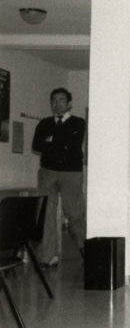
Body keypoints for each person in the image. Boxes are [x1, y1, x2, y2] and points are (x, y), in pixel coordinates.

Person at [32, 88, 87, 267]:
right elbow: (36, 145)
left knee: (74, 212)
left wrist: (50, 141)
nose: (57, 103)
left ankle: (84, 247)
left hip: (71, 172)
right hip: (48, 172)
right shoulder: (44, 123)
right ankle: (48, 256)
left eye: (61, 100)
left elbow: (72, 144)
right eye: (54, 100)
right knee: (47, 213)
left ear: (69, 103)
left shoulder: (78, 122)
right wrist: (59, 143)